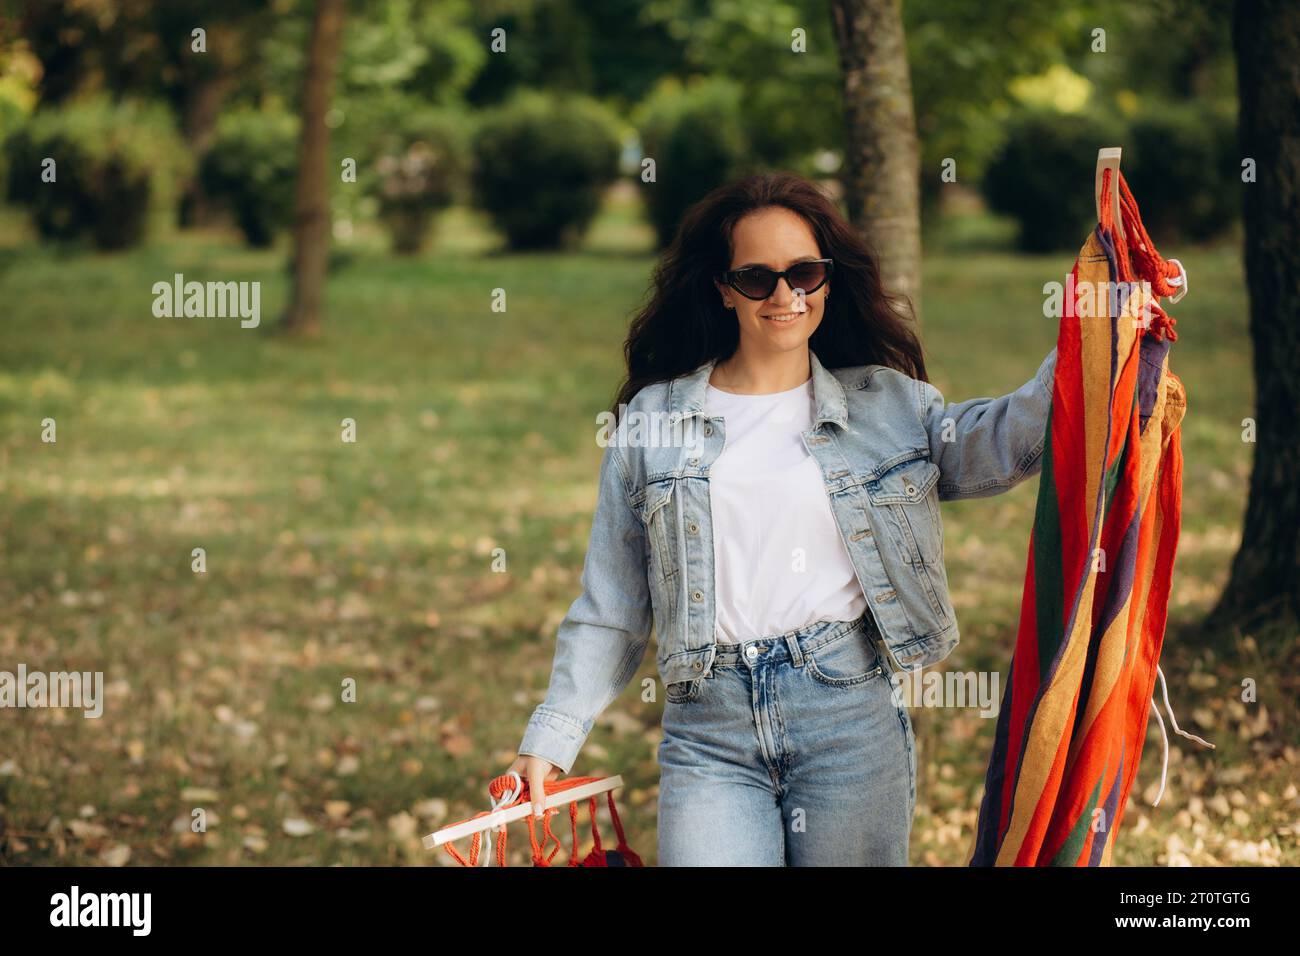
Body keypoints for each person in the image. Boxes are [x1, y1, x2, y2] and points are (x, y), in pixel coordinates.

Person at [507, 171, 1056, 865]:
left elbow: (1005, 441)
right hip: (711, 730)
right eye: (757, 278)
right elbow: (612, 605)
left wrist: (1097, 330)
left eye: (804, 273)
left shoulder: (886, 406)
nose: (785, 296)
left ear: (827, 278)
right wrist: (550, 739)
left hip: (847, 717)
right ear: (722, 287)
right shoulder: (654, 422)